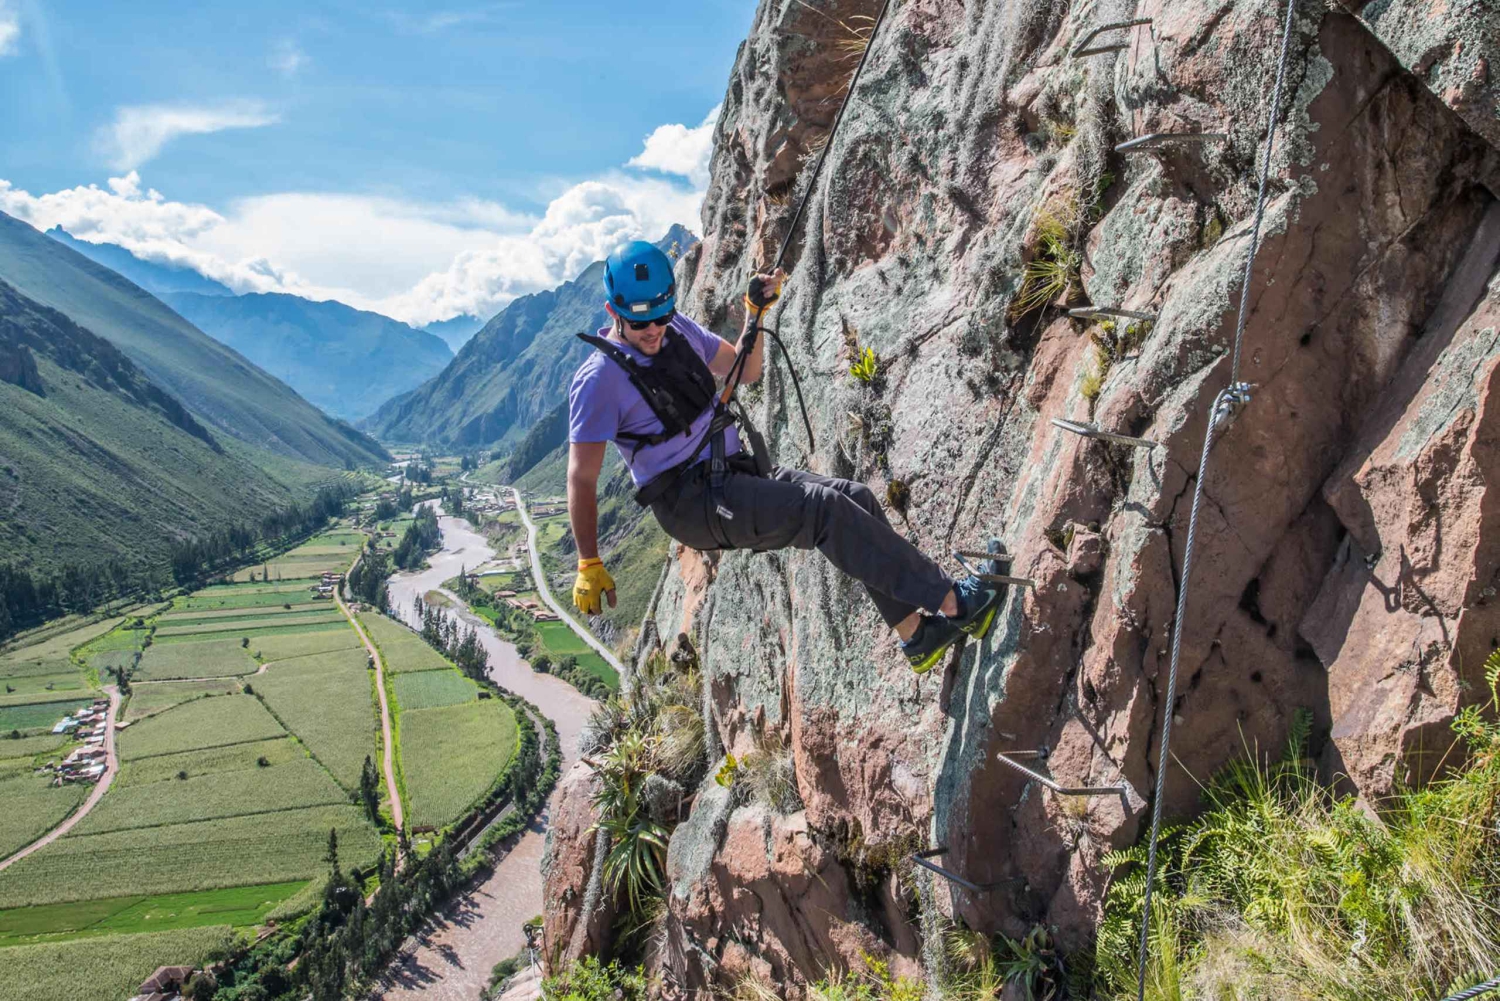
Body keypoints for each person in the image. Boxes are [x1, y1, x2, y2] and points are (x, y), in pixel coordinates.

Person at [565, 240, 1004, 673]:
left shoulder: (678, 330)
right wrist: (588, 560)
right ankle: (957, 603)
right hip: (689, 502)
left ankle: (917, 637)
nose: (654, 330)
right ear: (613, 313)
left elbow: (745, 369)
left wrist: (755, 314)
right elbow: (581, 479)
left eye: (661, 316)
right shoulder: (599, 381)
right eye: (641, 322)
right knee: (824, 512)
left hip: (729, 472)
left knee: (856, 498)